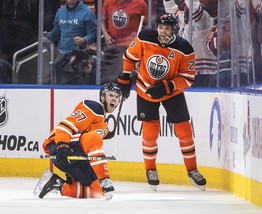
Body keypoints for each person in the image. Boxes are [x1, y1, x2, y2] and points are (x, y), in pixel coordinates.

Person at [117, 13, 207, 191]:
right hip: (145, 89)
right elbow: (130, 57)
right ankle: (150, 170)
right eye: (160, 27)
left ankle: (192, 170)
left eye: (166, 28)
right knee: (150, 132)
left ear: (173, 29)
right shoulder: (145, 37)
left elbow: (188, 78)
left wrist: (168, 86)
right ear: (157, 27)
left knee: (184, 131)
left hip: (172, 92)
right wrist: (125, 77)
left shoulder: (184, 48)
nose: (163, 31)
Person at [34, 82, 122, 200]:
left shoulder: (103, 125)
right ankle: (105, 179)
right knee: (93, 137)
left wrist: (109, 133)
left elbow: (105, 133)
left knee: (98, 191)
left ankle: (57, 184)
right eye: (111, 95)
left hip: (76, 157)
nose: (114, 99)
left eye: (117, 97)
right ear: (102, 97)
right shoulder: (93, 108)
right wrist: (62, 145)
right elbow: (65, 125)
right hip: (60, 146)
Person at [43, 0, 97, 85]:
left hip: (79, 56)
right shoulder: (60, 11)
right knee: (57, 81)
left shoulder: (87, 12)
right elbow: (57, 31)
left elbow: (93, 33)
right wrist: (48, 35)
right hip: (61, 55)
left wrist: (84, 39)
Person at [101, 0, 148, 84]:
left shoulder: (141, 4)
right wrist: (106, 34)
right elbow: (103, 20)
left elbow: (148, 24)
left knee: (121, 76)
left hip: (130, 48)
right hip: (112, 46)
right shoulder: (108, 2)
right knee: (106, 76)